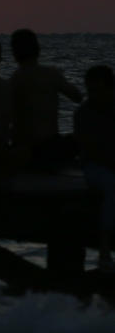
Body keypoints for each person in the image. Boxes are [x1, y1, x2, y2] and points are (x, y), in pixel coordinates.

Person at [9, 28, 84, 172]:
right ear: (38, 49)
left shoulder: (15, 79)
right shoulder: (52, 74)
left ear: (15, 53)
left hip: (25, 147)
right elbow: (77, 97)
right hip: (52, 145)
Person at [74, 65, 115, 272]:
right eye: (90, 91)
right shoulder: (83, 113)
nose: (93, 96)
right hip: (95, 166)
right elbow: (91, 150)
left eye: (98, 90)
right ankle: (105, 248)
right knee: (111, 184)